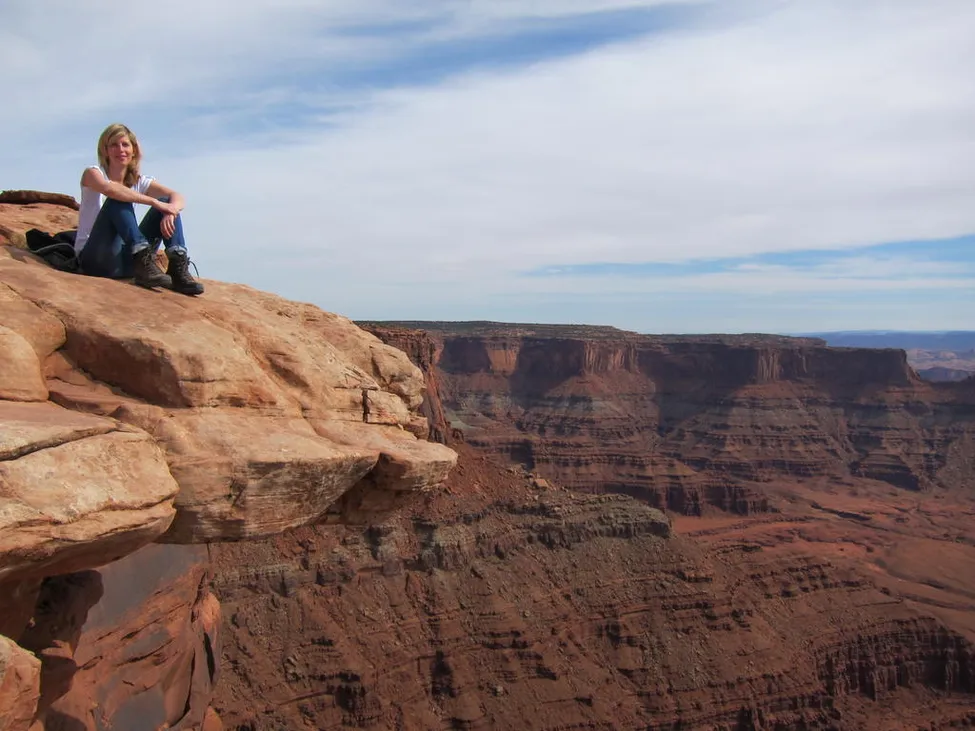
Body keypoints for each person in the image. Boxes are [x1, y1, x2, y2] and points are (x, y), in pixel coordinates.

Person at [74, 123, 204, 295]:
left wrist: (169, 210)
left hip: (129, 263)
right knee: (118, 198)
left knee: (167, 202)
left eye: (125, 144)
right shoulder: (93, 173)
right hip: (97, 259)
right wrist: (154, 202)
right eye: (114, 145)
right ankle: (142, 254)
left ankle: (177, 266)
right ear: (105, 150)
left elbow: (177, 196)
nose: (120, 149)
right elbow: (110, 190)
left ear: (133, 150)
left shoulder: (139, 181)